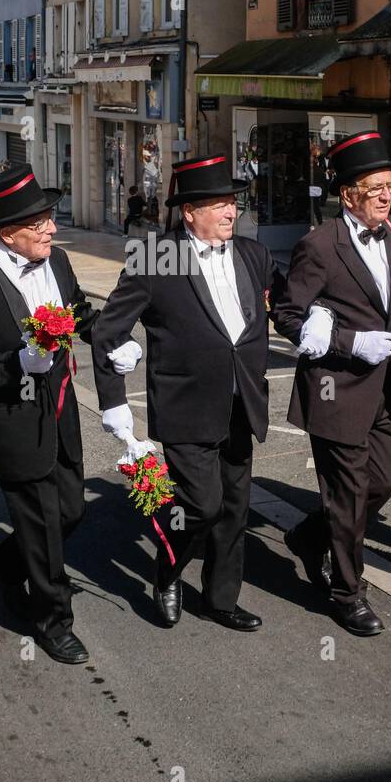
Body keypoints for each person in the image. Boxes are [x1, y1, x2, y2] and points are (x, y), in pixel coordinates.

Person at [92, 155, 286, 632]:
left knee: (235, 508)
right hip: (185, 405)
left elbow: (285, 304)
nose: (229, 212)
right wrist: (115, 396)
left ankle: (221, 599)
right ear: (188, 212)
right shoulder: (156, 255)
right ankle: (168, 569)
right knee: (202, 505)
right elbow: (107, 329)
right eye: (217, 204)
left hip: (243, 401)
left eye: (232, 203)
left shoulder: (253, 254)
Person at [272, 130, 391, 637]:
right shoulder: (319, 245)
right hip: (335, 388)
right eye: (375, 187)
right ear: (349, 195)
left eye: (390, 185)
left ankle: (308, 535)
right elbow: (289, 314)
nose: (387, 194)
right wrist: (346, 342)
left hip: (387, 387)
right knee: (347, 494)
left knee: (383, 482)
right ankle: (345, 593)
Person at [0, 166, 99, 665]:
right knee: (43, 527)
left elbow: (79, 312)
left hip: (61, 412)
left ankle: (9, 567)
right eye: (41, 224)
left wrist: (114, 340)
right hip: (14, 420)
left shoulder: (58, 263)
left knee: (71, 510)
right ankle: (53, 620)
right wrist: (12, 363)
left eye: (50, 219)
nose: (52, 230)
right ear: (9, 232)